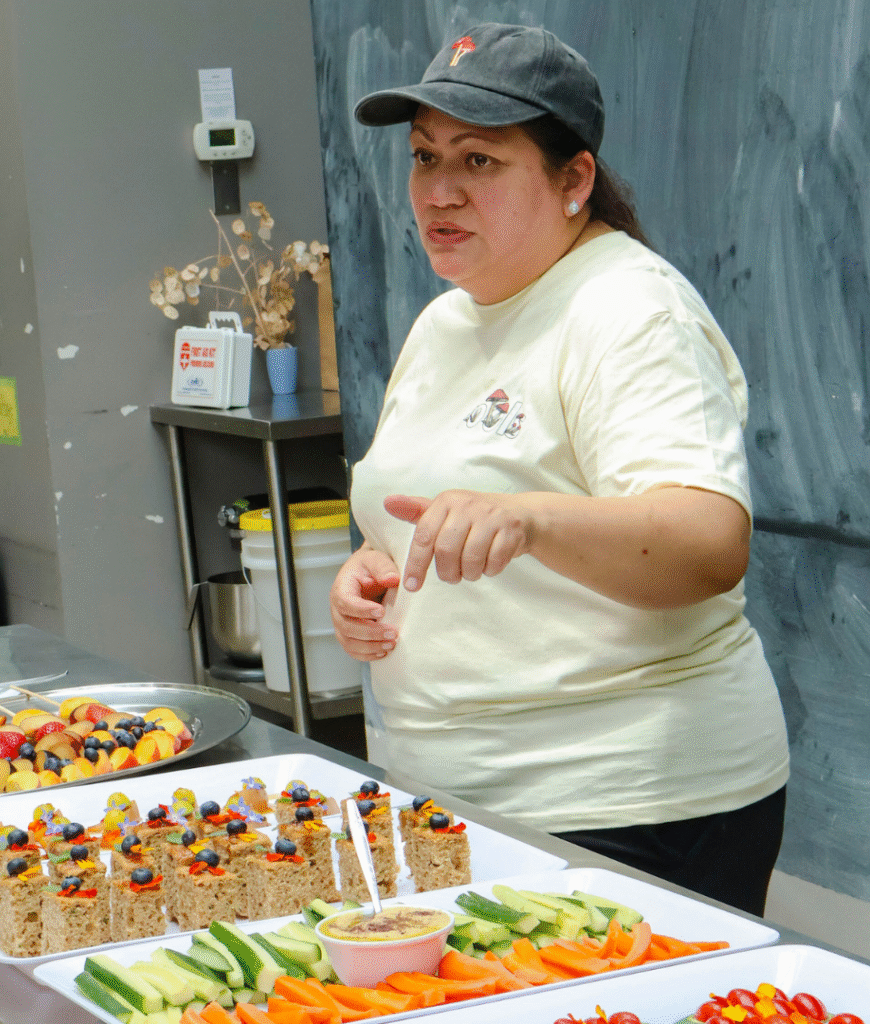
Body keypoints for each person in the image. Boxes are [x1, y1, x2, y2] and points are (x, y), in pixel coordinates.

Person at [331, 23, 789, 916]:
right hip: (457, 798)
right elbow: (420, 509)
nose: (440, 192)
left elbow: (706, 544)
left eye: (481, 162)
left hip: (626, 806)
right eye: (425, 158)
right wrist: (374, 571)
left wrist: (529, 518)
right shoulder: (447, 321)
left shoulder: (628, 308)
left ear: (574, 179)